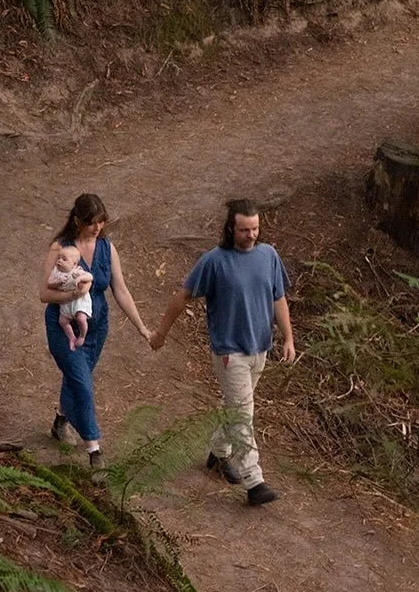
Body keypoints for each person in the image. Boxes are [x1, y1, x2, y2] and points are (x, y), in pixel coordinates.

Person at [150, 199, 294, 506]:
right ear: (230, 228)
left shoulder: (268, 256)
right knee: (243, 413)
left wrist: (288, 338)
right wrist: (161, 333)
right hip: (230, 351)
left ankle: (217, 453)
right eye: (244, 230)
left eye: (255, 228)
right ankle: (254, 481)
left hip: (260, 348)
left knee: (235, 407)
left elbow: (278, 298)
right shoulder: (214, 261)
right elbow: (183, 296)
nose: (250, 235)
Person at [40, 193, 151, 468]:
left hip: (96, 328)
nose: (98, 227)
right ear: (78, 221)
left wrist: (141, 327)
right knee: (82, 382)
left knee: (77, 377)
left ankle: (60, 420)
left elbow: (120, 289)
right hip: (63, 326)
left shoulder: (107, 248)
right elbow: (44, 294)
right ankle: (94, 449)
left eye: (101, 221)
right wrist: (73, 295)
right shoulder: (60, 248)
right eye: (92, 222)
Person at [47, 242, 93, 350]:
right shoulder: (56, 272)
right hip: (65, 303)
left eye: (64, 259)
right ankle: (71, 337)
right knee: (62, 321)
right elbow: (49, 283)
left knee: (81, 318)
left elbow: (90, 276)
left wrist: (80, 278)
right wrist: (57, 282)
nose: (59, 261)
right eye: (58, 258)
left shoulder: (76, 271)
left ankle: (82, 336)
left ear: (74, 264)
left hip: (79, 302)